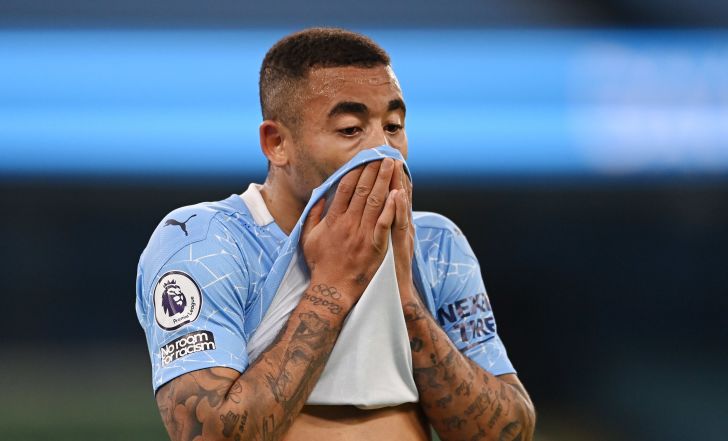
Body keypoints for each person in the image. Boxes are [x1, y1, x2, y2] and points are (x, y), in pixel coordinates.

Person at [136, 27, 535, 441]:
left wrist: (405, 297)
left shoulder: (436, 245)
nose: (383, 150)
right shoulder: (204, 242)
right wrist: (333, 286)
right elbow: (206, 434)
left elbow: (511, 431)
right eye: (350, 129)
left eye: (394, 126)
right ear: (277, 143)